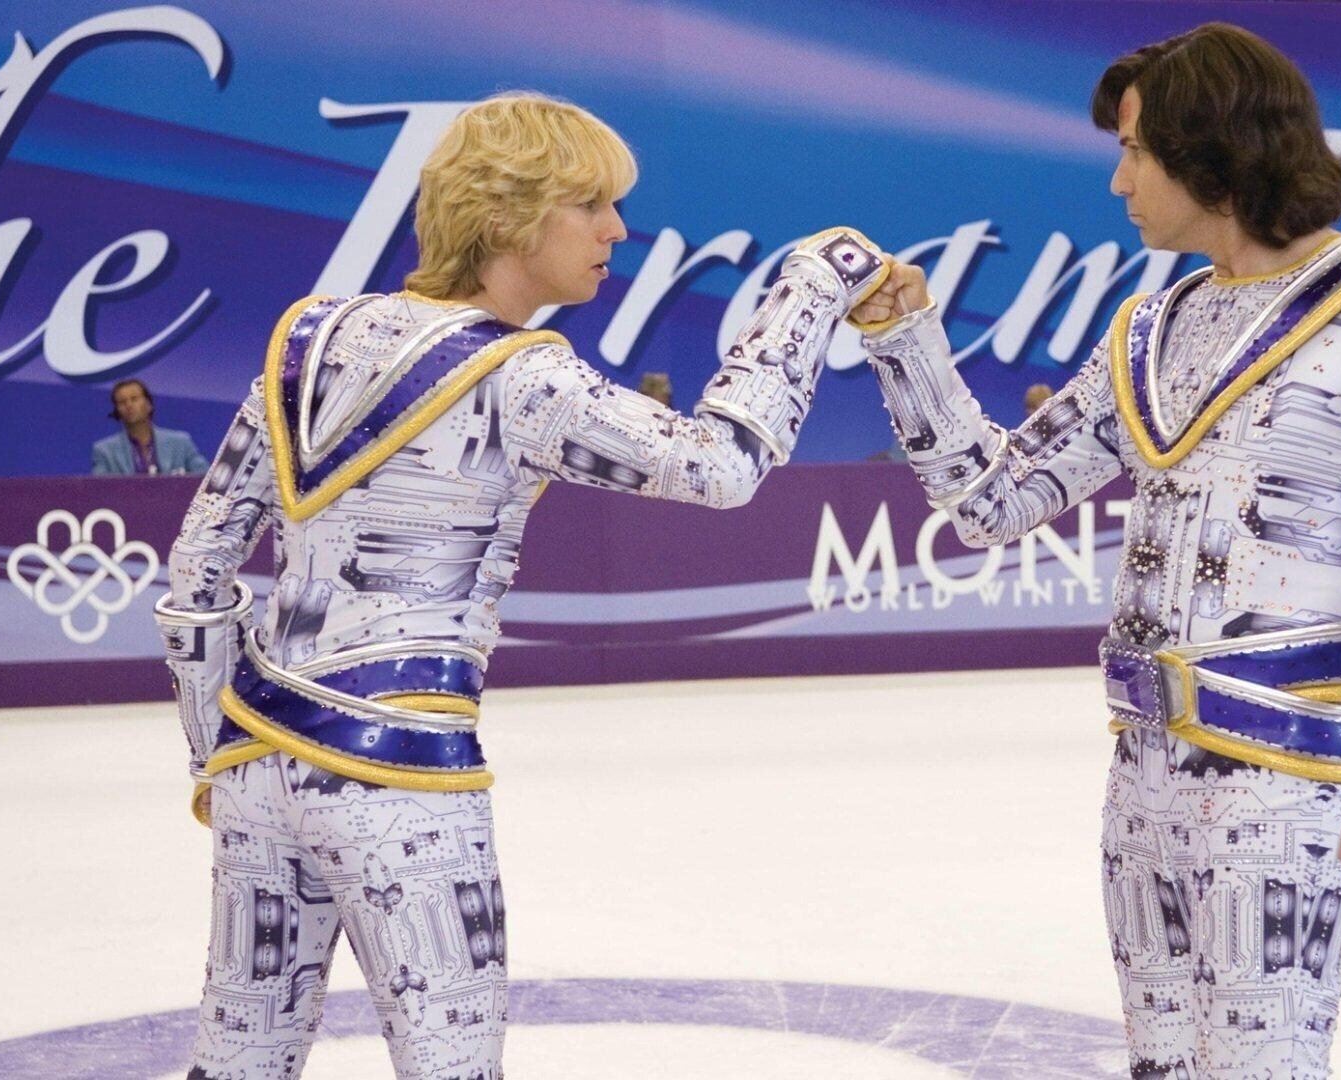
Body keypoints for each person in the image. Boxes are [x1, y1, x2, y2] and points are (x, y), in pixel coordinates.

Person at [153, 93, 885, 1079]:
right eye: (590, 205)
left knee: (238, 1062)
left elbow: (199, 565)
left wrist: (217, 753)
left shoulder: (309, 340)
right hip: (401, 774)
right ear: (507, 217)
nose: (617, 230)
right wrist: (814, 285)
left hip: (255, 763)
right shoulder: (523, 379)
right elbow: (720, 465)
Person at [850, 23, 1341, 1078]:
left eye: (1135, 152)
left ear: (1212, 151)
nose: (1119, 182)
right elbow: (992, 500)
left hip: (1285, 780)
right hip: (1141, 780)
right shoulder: (1158, 324)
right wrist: (906, 342)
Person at [92, 378, 209, 475]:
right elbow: (98, 490)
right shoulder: (104, 451)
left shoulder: (180, 442)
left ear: (149, 404)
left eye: (134, 399)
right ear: (117, 410)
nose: (129, 405)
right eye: (122, 402)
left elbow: (205, 477)